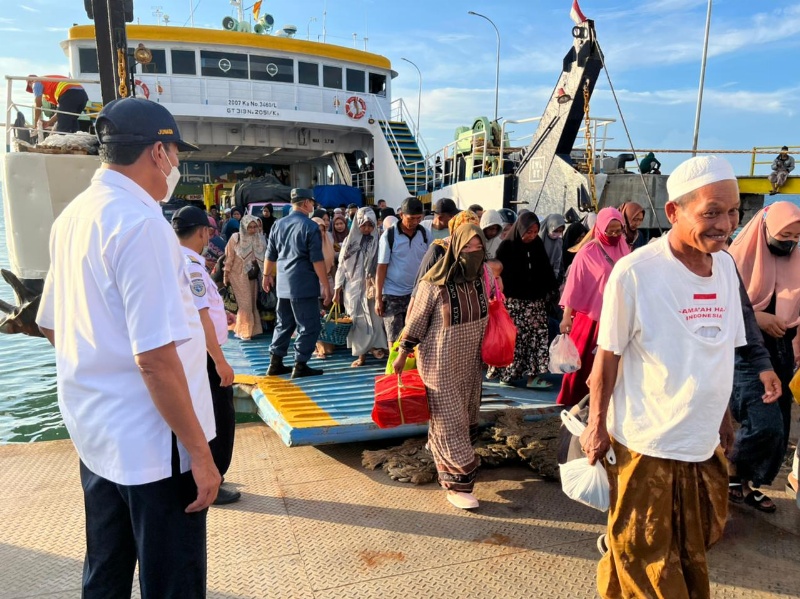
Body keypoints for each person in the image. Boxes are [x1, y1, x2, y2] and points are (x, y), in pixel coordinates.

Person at [35, 97, 219, 597]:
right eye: (176, 153)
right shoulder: (143, 227)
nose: (177, 165)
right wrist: (201, 455)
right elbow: (156, 361)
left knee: (106, 572)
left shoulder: (73, 216)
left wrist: (103, 368)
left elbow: (53, 325)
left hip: (97, 434)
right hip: (156, 449)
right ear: (158, 153)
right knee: (172, 582)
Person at [580, 156, 782, 599]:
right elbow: (607, 359)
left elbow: (720, 350)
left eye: (733, 212)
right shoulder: (635, 273)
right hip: (646, 443)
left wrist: (724, 420)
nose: (726, 224)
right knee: (644, 552)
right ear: (673, 212)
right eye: (712, 212)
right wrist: (596, 426)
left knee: (695, 545)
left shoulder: (726, 267)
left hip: (702, 442)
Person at [392, 224, 489, 510]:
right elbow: (417, 322)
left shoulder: (479, 279)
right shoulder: (433, 284)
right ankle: (457, 484)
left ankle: (442, 455)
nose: (473, 253)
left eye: (478, 247)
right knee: (450, 422)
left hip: (470, 362)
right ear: (456, 249)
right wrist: (403, 353)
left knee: (466, 414)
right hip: (439, 363)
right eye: (467, 248)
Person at [727, 201, 800, 512]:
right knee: (763, 423)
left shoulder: (797, 261)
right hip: (746, 351)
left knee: (779, 429)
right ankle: (730, 473)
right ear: (766, 229)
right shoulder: (735, 260)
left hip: (784, 353)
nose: (791, 242)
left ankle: (745, 484)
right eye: (785, 235)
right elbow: (721, 307)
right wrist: (757, 318)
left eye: (797, 236)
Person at [173, 206, 241, 506]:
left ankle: (205, 474)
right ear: (203, 232)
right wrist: (221, 361)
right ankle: (215, 477)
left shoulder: (174, 261)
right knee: (220, 419)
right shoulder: (192, 266)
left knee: (206, 414)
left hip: (192, 354)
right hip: (205, 356)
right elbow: (201, 318)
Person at [557, 208, 629, 407]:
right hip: (591, 319)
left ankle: (602, 405)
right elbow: (574, 285)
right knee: (582, 365)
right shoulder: (588, 252)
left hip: (616, 316)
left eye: (618, 230)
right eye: (610, 231)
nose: (615, 235)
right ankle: (572, 405)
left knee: (609, 365)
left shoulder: (624, 246)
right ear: (600, 228)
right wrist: (566, 317)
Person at [264, 188, 332, 379]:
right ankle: (300, 364)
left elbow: (270, 254)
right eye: (312, 203)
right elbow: (316, 260)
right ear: (305, 204)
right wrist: (325, 285)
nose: (313, 206)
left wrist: (266, 275)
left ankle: (274, 363)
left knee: (283, 323)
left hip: (283, 284)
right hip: (302, 283)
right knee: (309, 325)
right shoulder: (310, 227)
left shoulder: (278, 224)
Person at [487, 212, 558, 388]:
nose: (532, 236)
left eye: (535, 232)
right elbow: (499, 274)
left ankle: (533, 377)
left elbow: (546, 270)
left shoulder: (538, 245)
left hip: (535, 304)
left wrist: (550, 291)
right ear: (520, 229)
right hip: (514, 303)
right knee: (513, 339)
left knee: (536, 339)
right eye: (529, 232)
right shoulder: (507, 247)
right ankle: (507, 374)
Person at [333, 207, 388, 367]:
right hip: (353, 288)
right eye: (363, 225)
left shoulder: (378, 241)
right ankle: (361, 355)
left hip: (372, 288)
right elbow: (342, 267)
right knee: (357, 321)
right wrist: (337, 290)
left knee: (376, 320)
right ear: (357, 224)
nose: (367, 229)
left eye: (370, 225)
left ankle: (377, 347)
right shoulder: (349, 243)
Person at [375, 196, 431, 345]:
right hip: (393, 294)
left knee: (415, 338)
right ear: (401, 215)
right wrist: (378, 298)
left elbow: (432, 263)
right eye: (411, 218)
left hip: (417, 294)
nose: (415, 222)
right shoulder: (389, 235)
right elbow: (381, 267)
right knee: (394, 339)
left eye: (419, 218)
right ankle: (393, 368)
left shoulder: (425, 235)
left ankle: (410, 368)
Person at [224, 215, 265, 341]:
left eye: (254, 227)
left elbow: (263, 258)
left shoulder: (258, 238)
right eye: (250, 227)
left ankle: (252, 330)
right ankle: (245, 331)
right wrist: (226, 274)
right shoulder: (236, 238)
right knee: (245, 303)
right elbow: (229, 257)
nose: (252, 230)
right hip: (238, 274)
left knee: (252, 302)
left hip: (252, 274)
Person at [538, 214, 567, 282]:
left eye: (560, 231)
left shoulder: (559, 242)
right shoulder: (539, 239)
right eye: (555, 231)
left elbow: (559, 262)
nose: (558, 233)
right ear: (549, 226)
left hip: (551, 278)